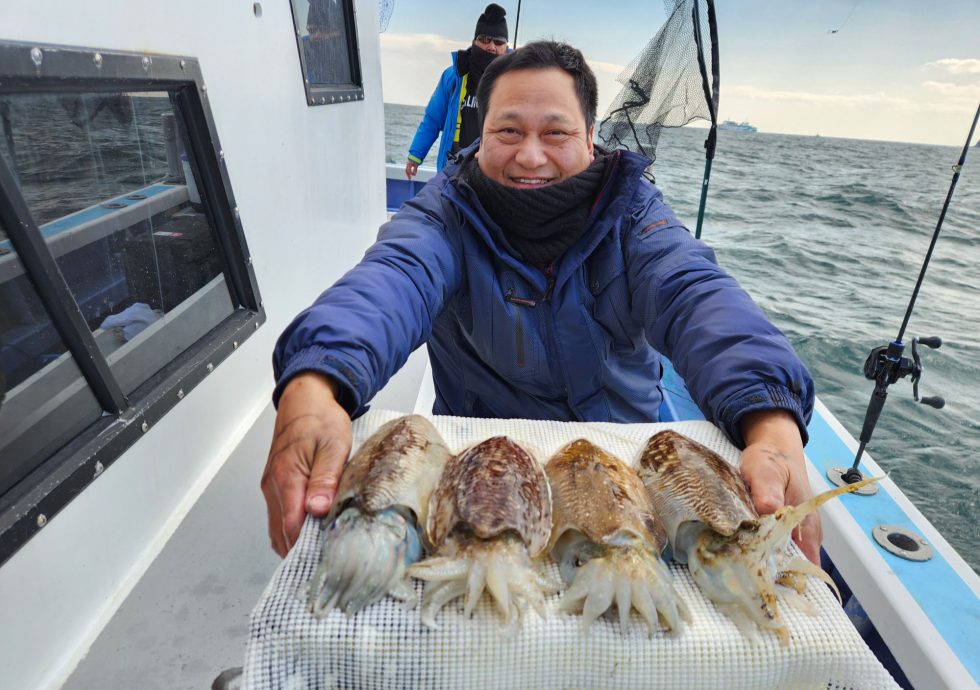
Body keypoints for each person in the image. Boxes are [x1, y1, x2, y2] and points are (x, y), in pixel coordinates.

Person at [262, 41, 820, 567]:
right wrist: (317, 380)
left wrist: (769, 416)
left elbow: (695, 293)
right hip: (482, 465)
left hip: (623, 459)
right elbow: (392, 279)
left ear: (590, 136)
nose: (530, 157)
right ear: (482, 132)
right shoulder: (446, 213)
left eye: (555, 133)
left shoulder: (634, 216)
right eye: (508, 130)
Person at [404, 3, 509, 178]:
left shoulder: (517, 78)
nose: (491, 47)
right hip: (455, 167)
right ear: (474, 41)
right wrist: (415, 155)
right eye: (484, 39)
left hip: (496, 168)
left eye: (498, 42)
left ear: (506, 46)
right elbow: (432, 119)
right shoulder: (452, 76)